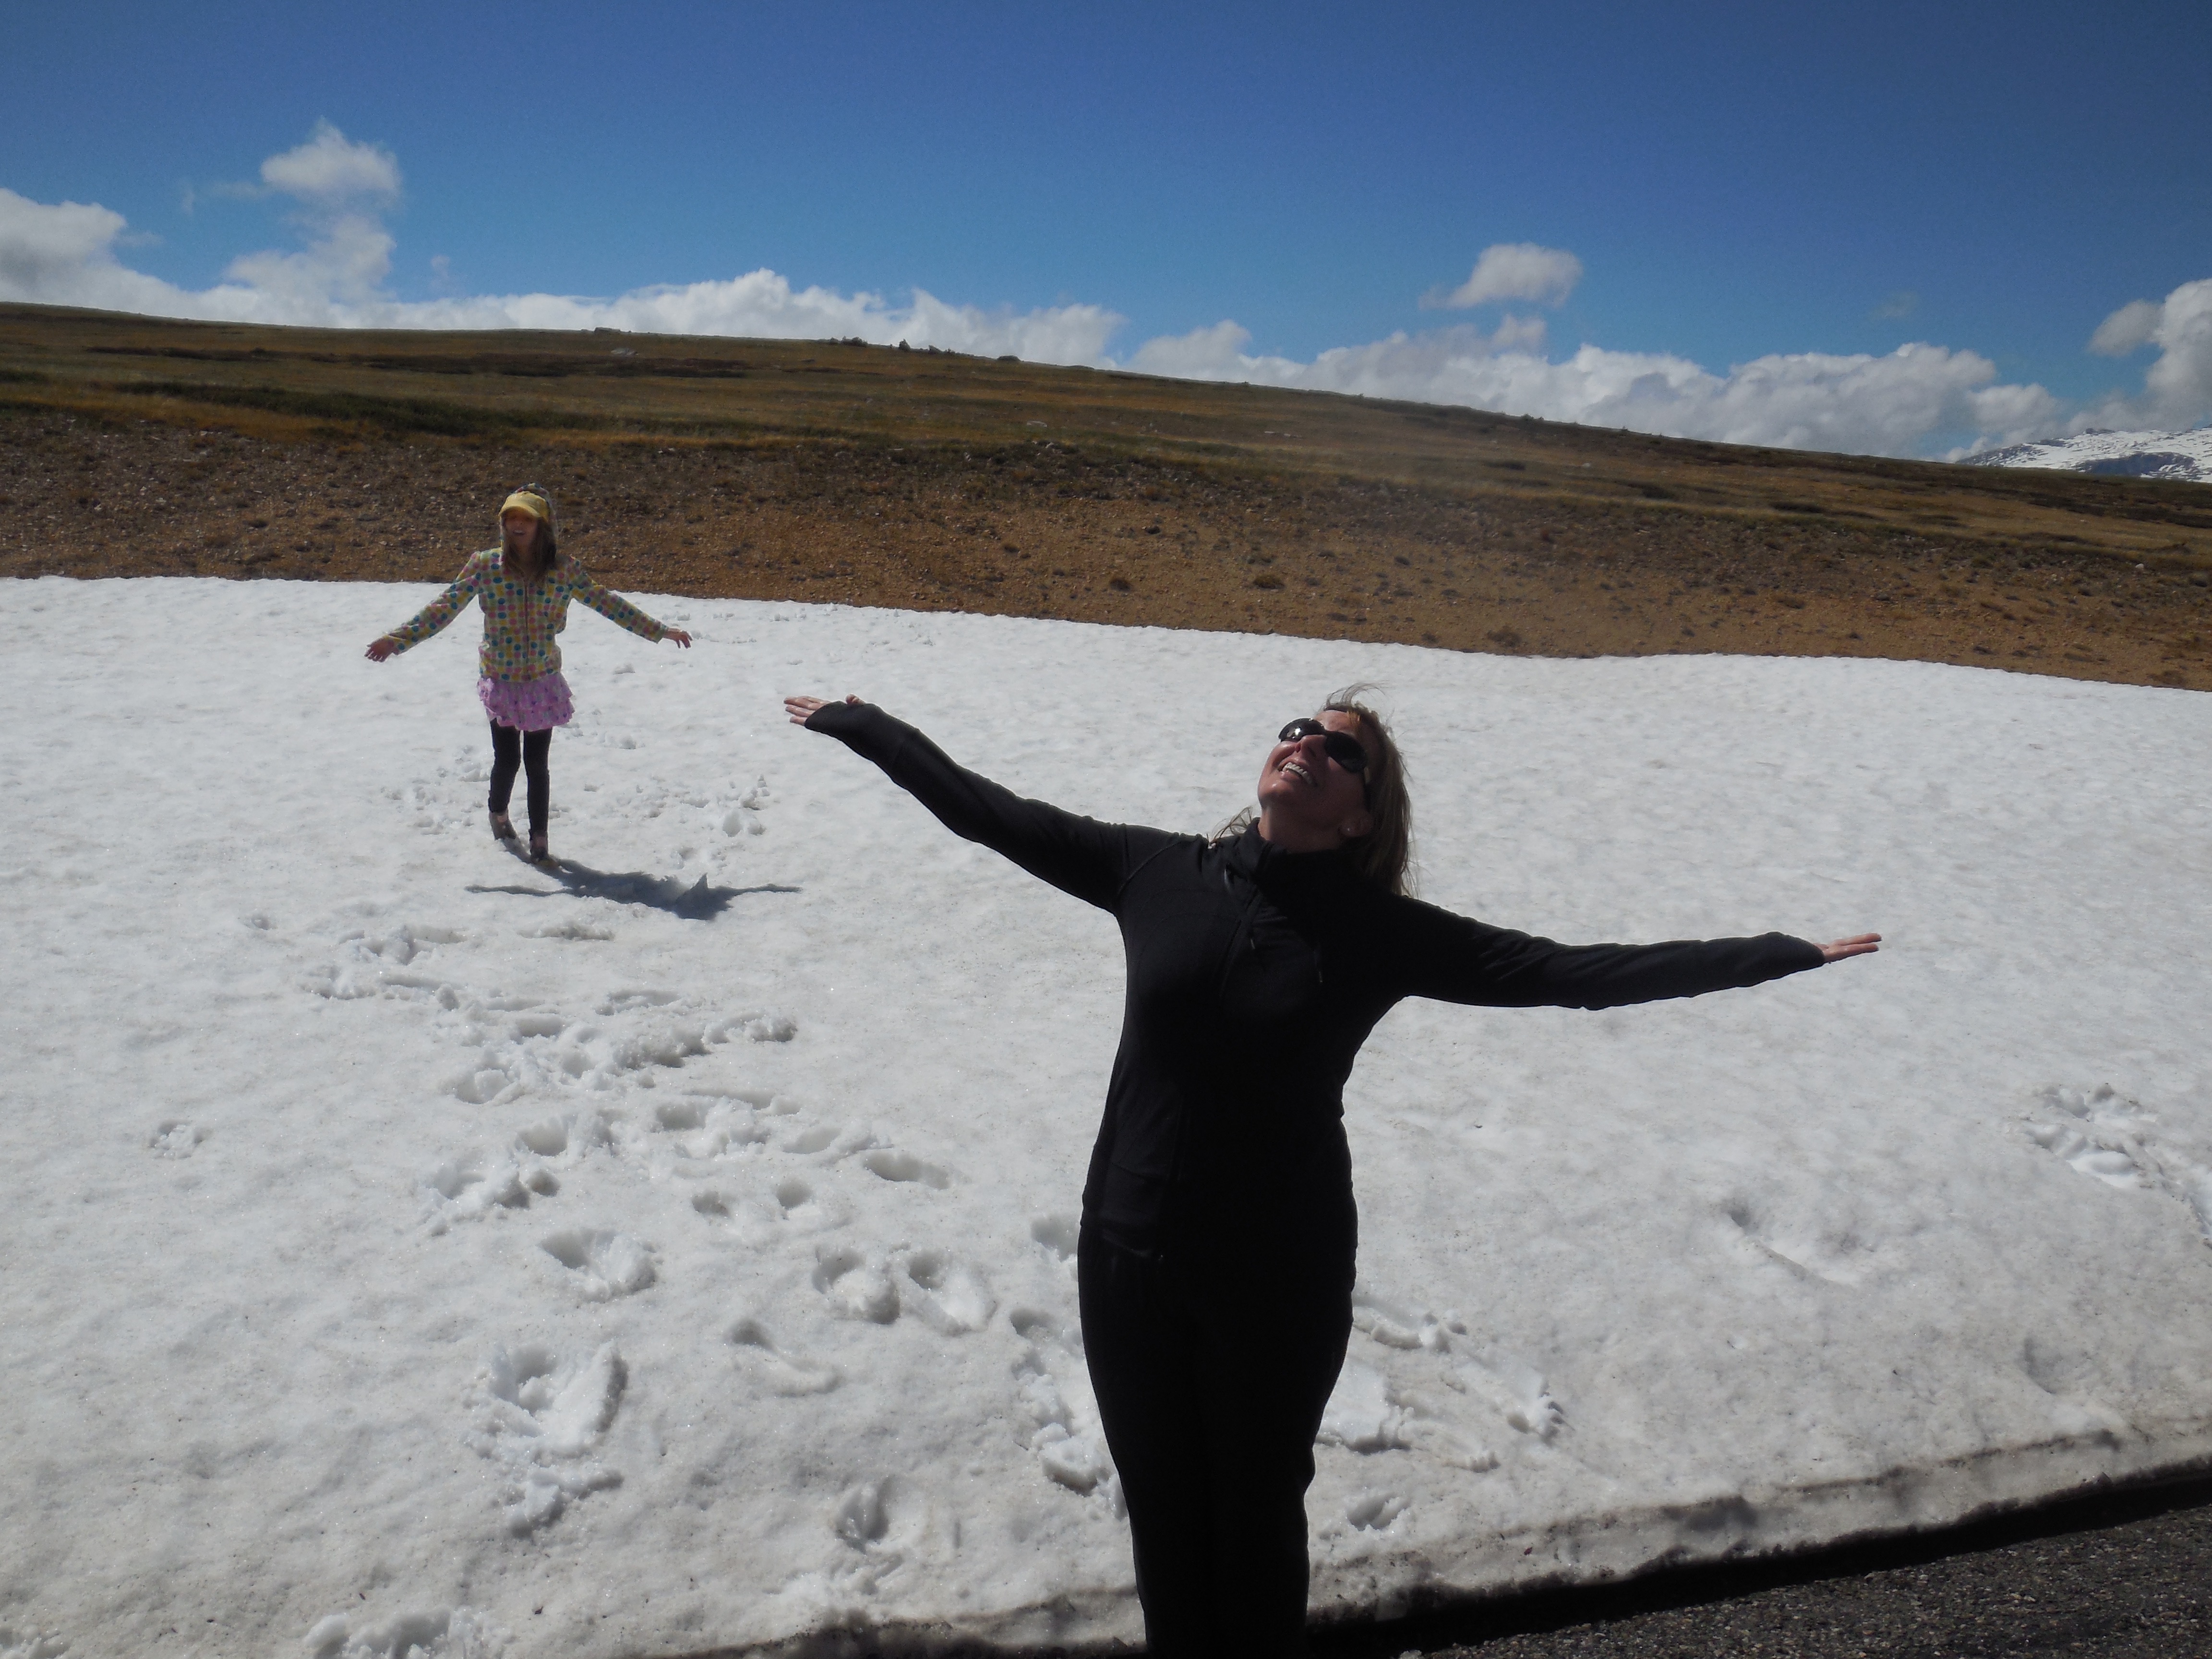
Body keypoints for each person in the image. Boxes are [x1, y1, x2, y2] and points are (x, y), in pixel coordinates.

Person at [783, 685, 1877, 1658]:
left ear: (1361, 814)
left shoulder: (1376, 930)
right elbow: (988, 812)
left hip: (1275, 1271)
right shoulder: (1156, 870)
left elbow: (1568, 972)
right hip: (1126, 1256)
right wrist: (866, 725)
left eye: (1341, 749)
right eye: (1299, 728)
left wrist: (1772, 954)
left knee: (1253, 1521)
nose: (1308, 744)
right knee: (1165, 1516)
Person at [366, 486, 691, 863]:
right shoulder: (485, 565)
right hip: (502, 679)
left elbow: (607, 602)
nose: (517, 525)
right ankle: (498, 813)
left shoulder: (563, 570)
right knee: (507, 760)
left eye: (526, 519)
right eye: (511, 518)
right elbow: (444, 607)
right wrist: (397, 640)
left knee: (537, 764)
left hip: (541, 680)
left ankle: (540, 842)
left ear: (542, 526)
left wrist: (659, 630)